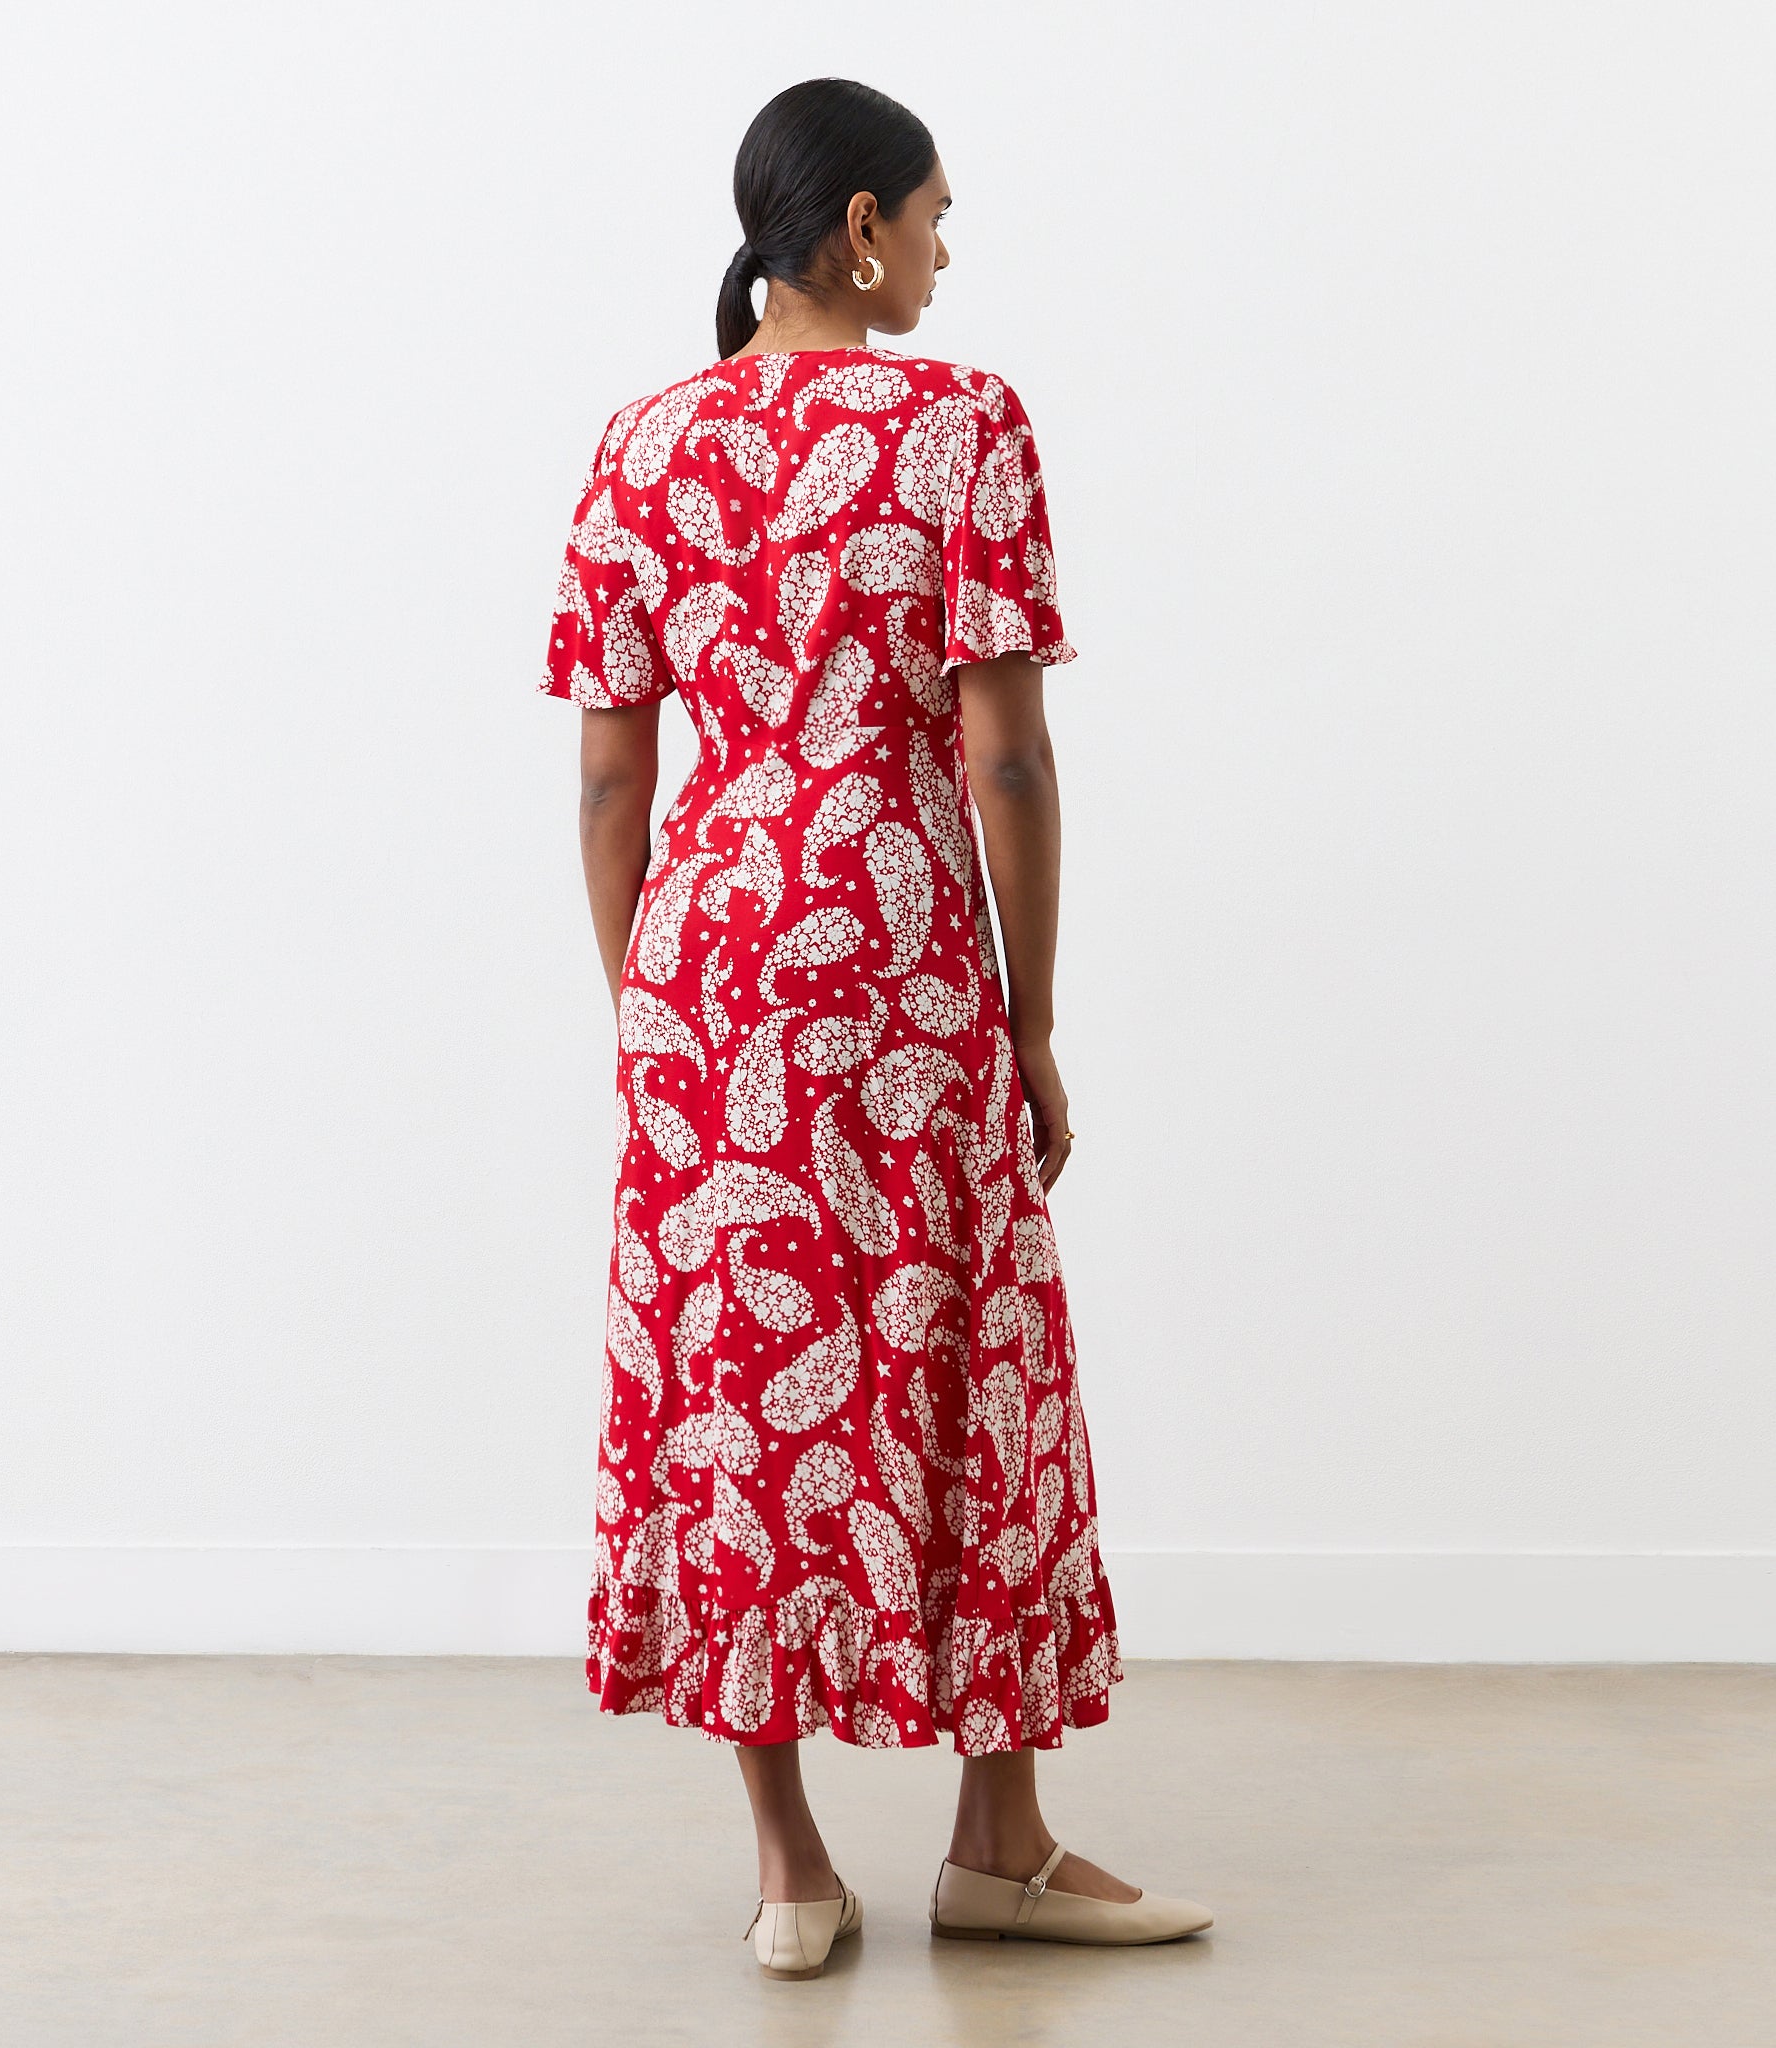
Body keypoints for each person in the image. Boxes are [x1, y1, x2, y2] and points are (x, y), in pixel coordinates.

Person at [542, 76, 1213, 1979]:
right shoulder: (962, 423)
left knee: (734, 1386)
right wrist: (1032, 1017)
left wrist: (647, 1019)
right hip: (905, 947)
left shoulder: (639, 443)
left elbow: (610, 786)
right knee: (966, 1358)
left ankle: (788, 1864)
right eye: (928, 213)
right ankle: (996, 1838)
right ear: (850, 226)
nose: (939, 248)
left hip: (709, 971)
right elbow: (1002, 752)